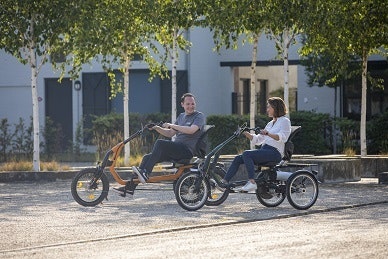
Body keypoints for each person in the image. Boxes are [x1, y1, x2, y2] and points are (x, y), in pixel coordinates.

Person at [114, 93, 205, 195]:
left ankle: (146, 173)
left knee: (160, 143)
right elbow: (170, 133)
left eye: (192, 104)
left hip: (186, 151)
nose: (190, 106)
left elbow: (191, 130)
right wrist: (157, 128)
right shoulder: (181, 116)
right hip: (177, 150)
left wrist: (171, 125)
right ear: (182, 104)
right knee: (147, 157)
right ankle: (130, 188)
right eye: (188, 104)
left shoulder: (198, 116)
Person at [220, 97, 291, 192]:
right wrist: (247, 134)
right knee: (238, 158)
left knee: (246, 154)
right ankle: (224, 182)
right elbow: (258, 140)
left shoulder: (285, 121)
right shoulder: (270, 124)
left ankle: (252, 182)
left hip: (275, 153)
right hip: (265, 151)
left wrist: (268, 133)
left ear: (276, 108)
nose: (267, 110)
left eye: (269, 107)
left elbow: (283, 137)